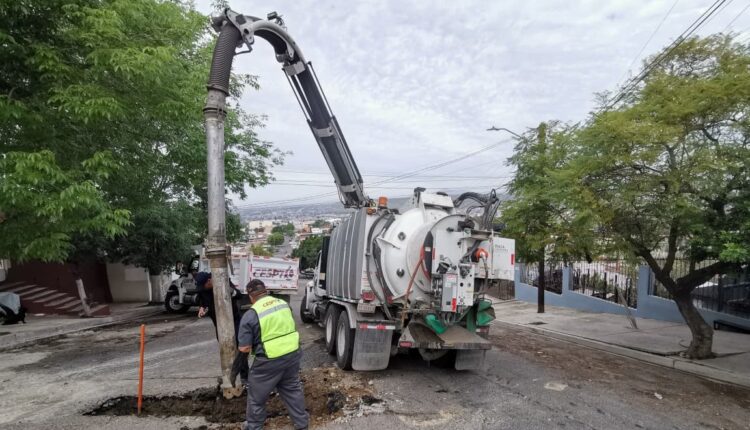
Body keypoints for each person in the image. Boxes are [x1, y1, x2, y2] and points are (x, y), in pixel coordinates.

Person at [238, 279, 308, 430]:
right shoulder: (283, 304)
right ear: (265, 291)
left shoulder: (251, 315)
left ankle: (254, 427)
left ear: (250, 296)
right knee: (292, 390)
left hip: (268, 361)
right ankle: (302, 424)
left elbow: (244, 348)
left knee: (256, 398)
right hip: (292, 354)